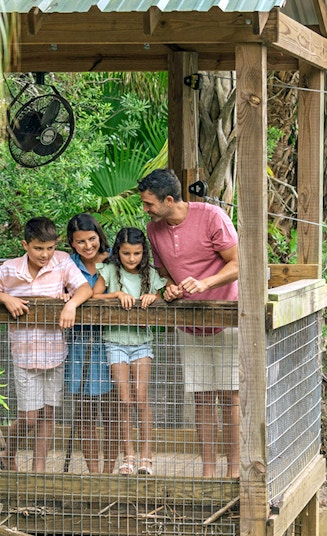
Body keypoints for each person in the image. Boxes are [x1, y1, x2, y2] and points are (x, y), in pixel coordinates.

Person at [138, 168, 239, 479]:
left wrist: (207, 283)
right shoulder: (154, 230)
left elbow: (239, 261)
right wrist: (168, 286)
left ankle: (234, 470)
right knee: (202, 397)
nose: (146, 209)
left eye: (149, 203)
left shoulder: (212, 216)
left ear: (170, 200)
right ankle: (208, 471)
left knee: (230, 395)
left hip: (227, 316)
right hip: (189, 323)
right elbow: (165, 271)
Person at [0, 217, 92, 472]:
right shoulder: (8, 269)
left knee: (48, 413)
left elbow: (84, 288)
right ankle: (9, 450)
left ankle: (38, 467)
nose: (45, 254)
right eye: (39, 248)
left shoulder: (61, 261)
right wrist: (5, 297)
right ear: (25, 245)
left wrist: (71, 303)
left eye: (50, 248)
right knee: (29, 417)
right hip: (25, 354)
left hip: (55, 352)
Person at [93, 227, 166, 475]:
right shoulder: (110, 271)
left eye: (136, 253)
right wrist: (116, 294)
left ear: (143, 252)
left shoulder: (151, 274)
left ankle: (147, 456)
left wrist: (152, 297)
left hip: (142, 343)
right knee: (124, 399)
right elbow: (94, 296)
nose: (131, 259)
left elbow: (161, 294)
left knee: (141, 397)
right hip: (114, 341)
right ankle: (129, 456)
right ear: (118, 252)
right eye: (126, 253)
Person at [65, 214, 119, 474]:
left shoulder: (115, 259)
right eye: (80, 241)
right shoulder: (67, 264)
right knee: (85, 412)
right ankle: (93, 473)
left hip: (111, 341)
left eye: (91, 239)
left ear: (99, 236)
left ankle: (109, 471)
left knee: (111, 411)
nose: (87, 246)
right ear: (72, 244)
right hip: (78, 342)